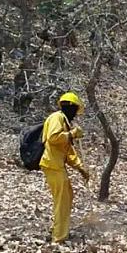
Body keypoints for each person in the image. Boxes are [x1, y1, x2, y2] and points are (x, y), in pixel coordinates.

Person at [40, 92, 90, 243]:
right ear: (70, 107)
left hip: (57, 165)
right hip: (52, 165)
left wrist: (80, 167)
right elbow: (53, 138)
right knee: (62, 201)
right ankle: (59, 237)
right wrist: (72, 134)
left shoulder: (65, 123)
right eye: (75, 111)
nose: (75, 115)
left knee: (67, 197)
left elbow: (67, 151)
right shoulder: (57, 118)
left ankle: (58, 229)